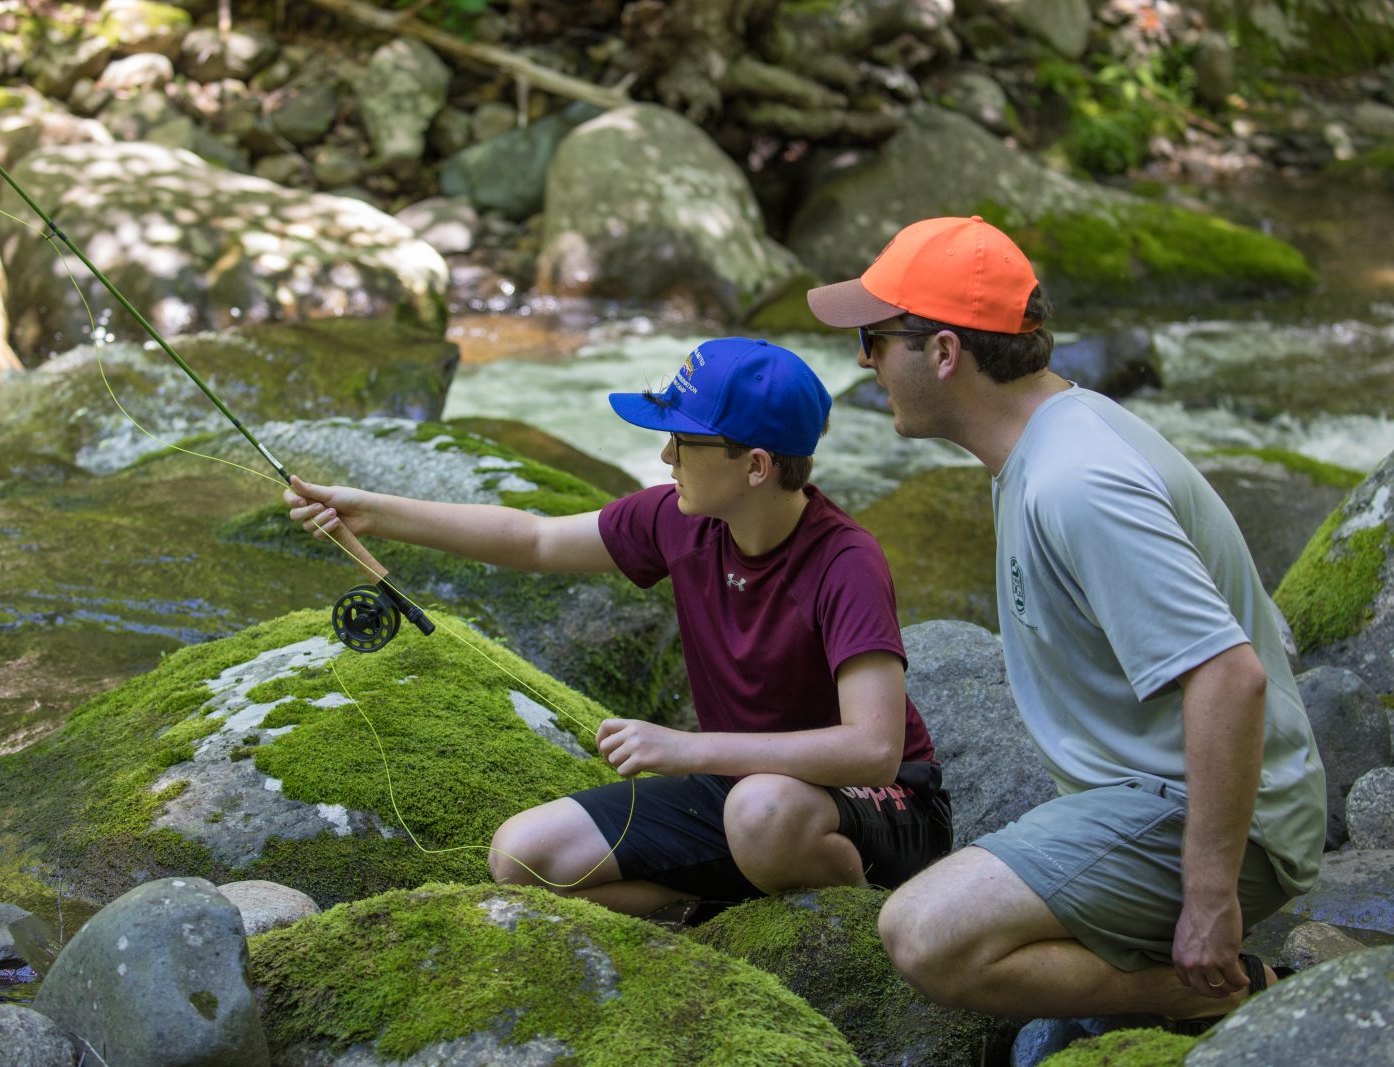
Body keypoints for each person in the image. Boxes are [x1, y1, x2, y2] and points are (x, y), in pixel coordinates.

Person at [805, 216, 1326, 1026]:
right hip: (1146, 794)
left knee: (924, 933)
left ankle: (1260, 993)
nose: (866, 363)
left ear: (944, 353)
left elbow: (1231, 675)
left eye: (873, 339)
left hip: (1212, 816)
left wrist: (1208, 896)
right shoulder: (1046, 441)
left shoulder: (1077, 480)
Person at [285, 336, 952, 920]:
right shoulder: (678, 518)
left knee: (763, 814)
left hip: (881, 805)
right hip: (738, 786)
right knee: (523, 858)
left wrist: (687, 749)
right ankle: (718, 902)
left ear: (756, 464)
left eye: (684, 441)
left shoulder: (845, 561)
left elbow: (873, 750)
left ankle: (851, 917)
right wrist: (370, 510)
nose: (666, 456)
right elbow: (536, 541)